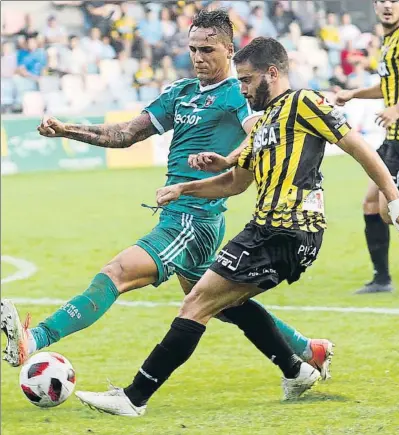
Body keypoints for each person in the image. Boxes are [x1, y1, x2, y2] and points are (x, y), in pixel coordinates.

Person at [74, 37, 399, 417]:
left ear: (273, 73)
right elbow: (235, 183)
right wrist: (185, 187)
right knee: (230, 302)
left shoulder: (306, 103)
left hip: (289, 228)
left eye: (247, 80)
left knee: (197, 303)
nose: (241, 88)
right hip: (263, 229)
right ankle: (298, 369)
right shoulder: (264, 122)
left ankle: (133, 398)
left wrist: (397, 201)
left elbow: (360, 148)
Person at [1, 10, 332, 381]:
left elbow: (259, 137)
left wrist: (227, 160)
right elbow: (125, 134)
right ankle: (307, 350)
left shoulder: (238, 94)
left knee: (117, 272)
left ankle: (35, 338)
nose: (198, 57)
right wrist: (67, 130)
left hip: (194, 217)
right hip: (179, 214)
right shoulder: (181, 92)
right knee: (223, 303)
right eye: (192, 49)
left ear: (228, 49)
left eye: (207, 49)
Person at [335, 0, 399, 294]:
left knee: (389, 212)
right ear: (375, 6)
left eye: (394, 1)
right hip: (394, 137)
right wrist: (354, 94)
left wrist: (398, 108)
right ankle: (381, 279)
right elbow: (388, 86)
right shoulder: (388, 42)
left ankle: (382, 278)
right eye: (382, 0)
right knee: (371, 205)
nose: (387, 6)